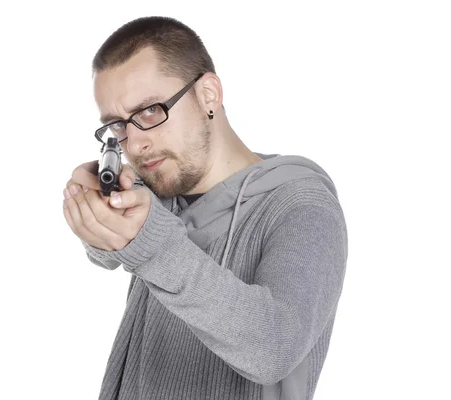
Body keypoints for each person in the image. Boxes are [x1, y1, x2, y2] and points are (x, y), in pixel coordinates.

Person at [62, 16, 348, 400]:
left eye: (150, 111)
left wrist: (149, 245)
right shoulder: (163, 186)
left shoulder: (301, 206)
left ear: (208, 95)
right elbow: (106, 256)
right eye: (118, 125)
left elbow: (273, 349)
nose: (135, 143)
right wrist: (97, 215)